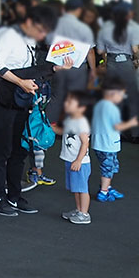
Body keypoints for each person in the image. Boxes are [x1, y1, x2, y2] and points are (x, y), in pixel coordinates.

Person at [0, 4, 56, 216]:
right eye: (41, 29)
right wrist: (21, 82)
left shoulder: (29, 41)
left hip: (20, 102)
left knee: (19, 151)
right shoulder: (10, 36)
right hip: (1, 102)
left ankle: (14, 195)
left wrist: (55, 68)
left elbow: (30, 69)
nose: (43, 34)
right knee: (1, 151)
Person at [49, 0, 97, 126]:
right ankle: (73, 132)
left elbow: (48, 44)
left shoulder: (54, 25)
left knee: (56, 98)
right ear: (79, 10)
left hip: (58, 66)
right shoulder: (83, 28)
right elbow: (90, 51)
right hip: (77, 68)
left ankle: (48, 131)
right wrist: (93, 70)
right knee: (75, 98)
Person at [93, 78, 138, 202]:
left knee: (108, 166)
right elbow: (117, 126)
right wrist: (132, 123)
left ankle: (107, 187)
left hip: (99, 143)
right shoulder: (112, 108)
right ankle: (104, 191)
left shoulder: (99, 104)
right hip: (108, 144)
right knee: (108, 168)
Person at [97, 3, 138, 133]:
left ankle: (114, 131)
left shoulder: (104, 29)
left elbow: (99, 51)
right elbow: (135, 49)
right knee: (132, 97)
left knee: (113, 97)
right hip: (126, 63)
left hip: (111, 64)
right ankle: (134, 133)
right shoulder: (134, 27)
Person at [59, 90, 92, 224]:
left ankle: (84, 214)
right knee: (76, 188)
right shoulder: (70, 119)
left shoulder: (82, 123)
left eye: (70, 102)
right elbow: (64, 132)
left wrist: (78, 160)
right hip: (71, 160)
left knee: (82, 189)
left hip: (80, 163)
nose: (66, 104)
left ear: (81, 107)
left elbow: (85, 143)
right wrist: (50, 128)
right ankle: (79, 210)